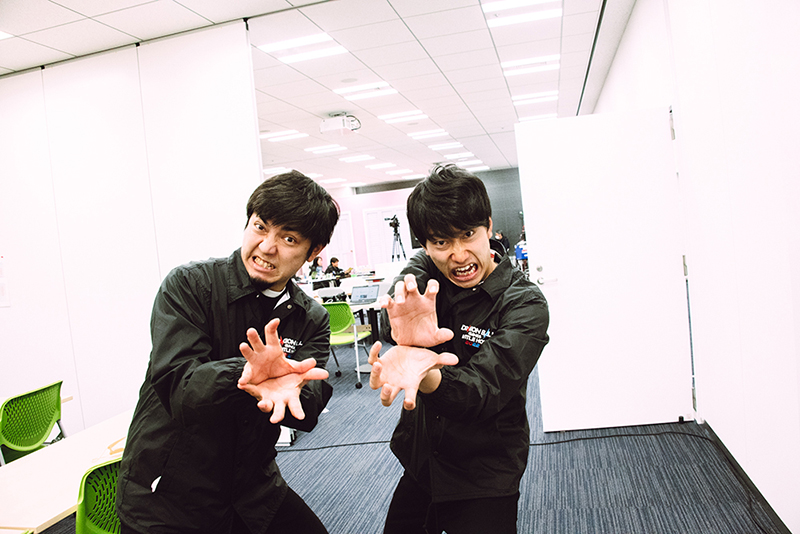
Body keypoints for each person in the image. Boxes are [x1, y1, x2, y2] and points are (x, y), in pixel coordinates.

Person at [116, 170, 340, 534]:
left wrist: (296, 392)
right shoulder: (190, 285)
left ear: (313, 251)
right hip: (170, 497)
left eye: (288, 238)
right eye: (260, 227)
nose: (266, 247)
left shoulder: (310, 317)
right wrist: (247, 374)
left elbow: (308, 408)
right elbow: (181, 389)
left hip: (253, 487)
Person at [368, 164, 549, 534]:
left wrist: (428, 375)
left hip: (484, 474)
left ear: (488, 225)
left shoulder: (524, 304)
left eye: (468, 234)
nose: (459, 254)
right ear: (426, 244)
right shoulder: (424, 268)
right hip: (423, 461)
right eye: (441, 242)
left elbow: (483, 390)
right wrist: (399, 326)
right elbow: (392, 317)